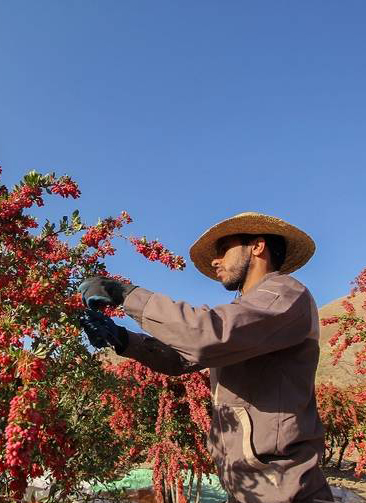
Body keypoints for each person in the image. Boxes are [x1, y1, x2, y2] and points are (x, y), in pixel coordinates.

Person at [79, 212, 334, 503]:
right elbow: (181, 360)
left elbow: (207, 335)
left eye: (223, 249)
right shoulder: (249, 310)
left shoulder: (285, 295)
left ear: (258, 246)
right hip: (250, 487)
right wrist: (125, 341)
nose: (215, 261)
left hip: (283, 489)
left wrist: (127, 295)